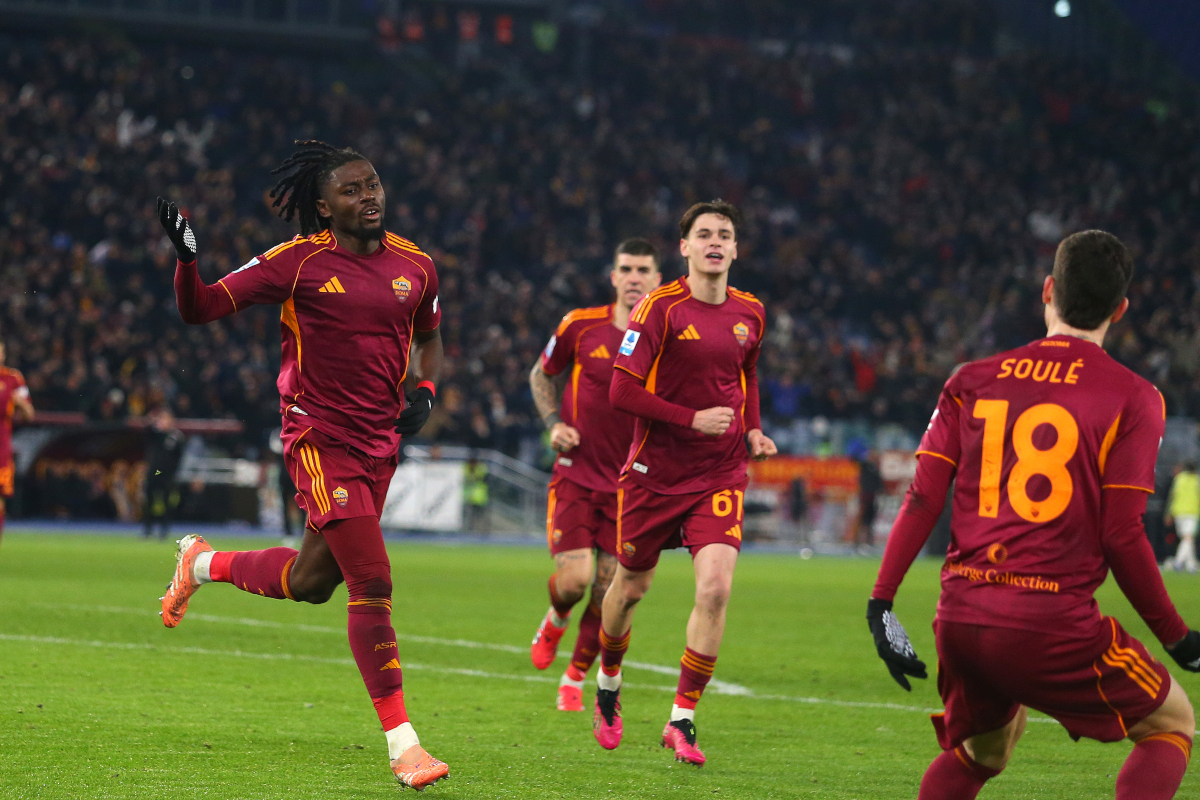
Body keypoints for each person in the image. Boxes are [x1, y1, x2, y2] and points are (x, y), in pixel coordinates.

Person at [155, 140, 448, 790]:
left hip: (379, 446)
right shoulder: (296, 263)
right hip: (318, 438)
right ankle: (405, 746)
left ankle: (200, 564)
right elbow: (199, 308)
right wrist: (187, 261)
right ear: (323, 206)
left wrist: (426, 391)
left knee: (313, 581)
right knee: (371, 580)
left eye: (372, 185)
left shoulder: (418, 267)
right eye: (351, 190)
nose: (368, 197)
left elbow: (430, 339)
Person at [867, 230, 1200, 800]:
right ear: (1120, 309)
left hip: (962, 618)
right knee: (1173, 723)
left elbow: (923, 497)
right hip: (1051, 624)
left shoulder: (971, 379)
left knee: (984, 752)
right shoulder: (1135, 397)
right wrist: (1176, 637)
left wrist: (882, 604)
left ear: (1048, 290)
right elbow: (1122, 534)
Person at [594, 201, 777, 765]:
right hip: (655, 475)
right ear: (685, 247)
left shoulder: (752, 312)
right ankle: (608, 682)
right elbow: (621, 391)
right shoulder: (659, 308)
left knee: (716, 588)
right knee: (629, 588)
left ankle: (682, 719)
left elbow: (746, 373)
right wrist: (691, 418)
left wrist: (752, 429)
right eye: (704, 234)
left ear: (736, 249)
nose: (715, 241)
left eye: (724, 234)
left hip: (719, 473)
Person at [528, 238, 662, 712]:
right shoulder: (580, 325)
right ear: (613, 276)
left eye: (643, 270)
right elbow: (541, 374)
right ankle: (556, 617)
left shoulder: (666, 342)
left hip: (632, 487)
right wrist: (553, 424)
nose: (634, 278)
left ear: (658, 281)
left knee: (609, 592)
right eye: (626, 268)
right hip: (577, 475)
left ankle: (574, 677)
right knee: (575, 580)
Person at [0, 341, 34, 548]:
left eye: (1, 351)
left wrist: (20, 403)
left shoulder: (13, 378)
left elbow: (30, 414)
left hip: (1, 450)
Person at [142, 407, 185, 539]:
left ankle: (164, 529)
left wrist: (173, 472)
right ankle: (148, 529)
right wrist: (151, 421)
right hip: (154, 471)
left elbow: (178, 457)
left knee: (166, 501)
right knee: (149, 500)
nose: (163, 422)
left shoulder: (176, 437)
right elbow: (146, 432)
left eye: (166, 419)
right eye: (162, 419)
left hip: (166, 474)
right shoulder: (156, 435)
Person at [1165, 461, 1199, 573]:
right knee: (1187, 538)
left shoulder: (1179, 478)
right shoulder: (1197, 480)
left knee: (1187, 539)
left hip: (1178, 512)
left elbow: (1172, 496)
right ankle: (1178, 562)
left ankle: (1191, 564)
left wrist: (1169, 512)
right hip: (1192, 512)